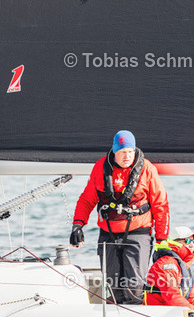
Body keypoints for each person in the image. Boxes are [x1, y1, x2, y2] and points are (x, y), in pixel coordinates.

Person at [71, 130, 169, 304]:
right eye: (123, 152)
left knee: (134, 289)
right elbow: (87, 199)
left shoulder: (147, 169)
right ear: (115, 151)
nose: (127, 156)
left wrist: (162, 239)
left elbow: (160, 204)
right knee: (113, 287)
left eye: (130, 151)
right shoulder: (101, 167)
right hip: (108, 233)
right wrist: (77, 225)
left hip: (138, 232)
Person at [144, 226, 194, 317]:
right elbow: (173, 298)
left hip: (172, 315)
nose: (192, 245)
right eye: (188, 241)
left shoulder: (181, 265)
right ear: (175, 242)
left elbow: (193, 298)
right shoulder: (166, 265)